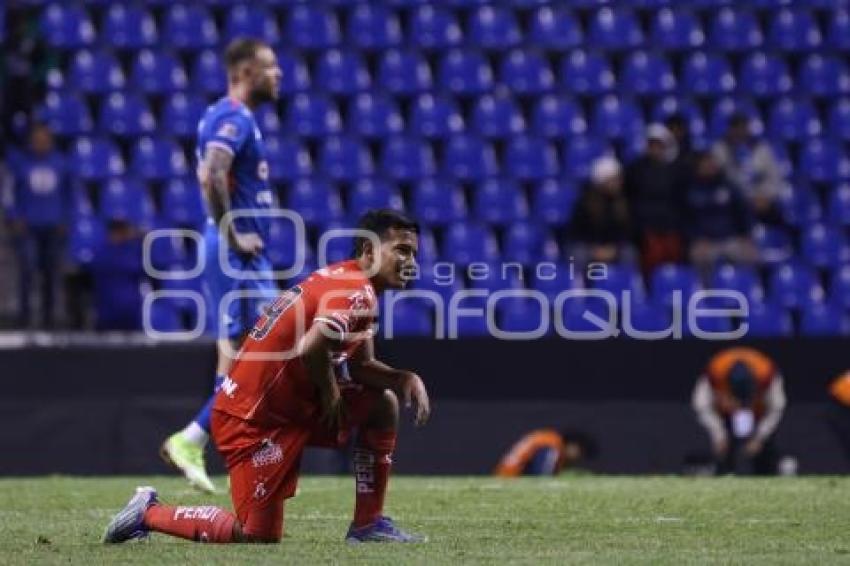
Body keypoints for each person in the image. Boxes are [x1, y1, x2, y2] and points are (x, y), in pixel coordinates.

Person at [103, 209, 432, 544]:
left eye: (413, 254)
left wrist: (403, 379)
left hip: (287, 407)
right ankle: (148, 512)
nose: (411, 262)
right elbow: (311, 347)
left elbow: (361, 366)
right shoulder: (355, 291)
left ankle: (368, 524)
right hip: (252, 418)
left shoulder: (351, 282)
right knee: (256, 534)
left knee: (382, 404)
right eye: (402, 251)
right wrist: (331, 392)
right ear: (369, 251)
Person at [159, 38, 283, 493]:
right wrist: (232, 233)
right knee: (271, 347)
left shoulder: (232, 116)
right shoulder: (232, 116)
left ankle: (207, 443)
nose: (278, 74)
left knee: (240, 354)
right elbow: (211, 174)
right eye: (270, 67)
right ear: (246, 71)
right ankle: (201, 441)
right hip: (237, 252)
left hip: (242, 253)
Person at [5, 122, 69, 328]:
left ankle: (48, 317)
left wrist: (65, 218)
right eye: (37, 139)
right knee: (28, 269)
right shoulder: (21, 164)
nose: (41, 143)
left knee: (50, 272)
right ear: (31, 141)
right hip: (29, 227)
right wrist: (14, 217)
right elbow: (10, 194)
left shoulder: (61, 164)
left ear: (50, 140)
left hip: (53, 226)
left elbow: (70, 195)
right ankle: (24, 316)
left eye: (44, 139)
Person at [691, 347, 787, 475]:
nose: (741, 407)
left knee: (766, 456)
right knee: (724, 452)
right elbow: (701, 405)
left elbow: (776, 408)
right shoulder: (716, 370)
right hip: (724, 411)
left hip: (759, 410)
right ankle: (724, 473)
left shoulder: (766, 372)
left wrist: (760, 438)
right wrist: (718, 435)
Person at [683, 151, 757, 276]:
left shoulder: (729, 186)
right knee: (698, 255)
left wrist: (745, 236)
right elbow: (687, 220)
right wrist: (696, 238)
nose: (709, 166)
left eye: (711, 163)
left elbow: (744, 212)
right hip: (705, 241)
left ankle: (748, 286)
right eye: (705, 164)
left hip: (731, 239)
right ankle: (704, 287)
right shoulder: (692, 190)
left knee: (749, 254)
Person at [624, 123, 685, 275]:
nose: (655, 149)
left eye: (659, 145)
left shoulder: (676, 170)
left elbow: (680, 200)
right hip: (647, 228)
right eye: (652, 145)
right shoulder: (635, 170)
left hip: (671, 226)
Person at [712, 113, 785, 226]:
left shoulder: (761, 149)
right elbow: (716, 178)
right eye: (736, 128)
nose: (740, 132)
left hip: (759, 197)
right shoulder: (720, 149)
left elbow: (774, 177)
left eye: (743, 128)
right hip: (732, 200)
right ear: (730, 130)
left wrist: (766, 195)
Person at [571, 156, 635, 265]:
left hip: (614, 248)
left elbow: (627, 232)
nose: (619, 183)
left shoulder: (622, 202)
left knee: (629, 252)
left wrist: (614, 248)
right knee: (578, 254)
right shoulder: (585, 203)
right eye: (614, 179)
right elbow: (577, 233)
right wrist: (595, 249)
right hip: (590, 246)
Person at [494, 428, 597, 477]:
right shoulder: (552, 445)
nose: (578, 458)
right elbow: (542, 475)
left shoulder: (548, 438)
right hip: (511, 478)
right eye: (580, 453)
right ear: (573, 445)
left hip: (505, 474)